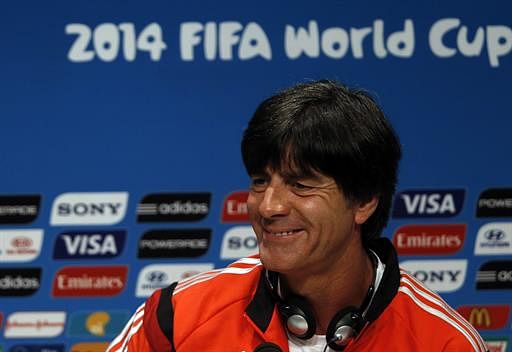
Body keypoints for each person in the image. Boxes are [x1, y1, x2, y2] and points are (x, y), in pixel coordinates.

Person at [107, 80, 488, 352]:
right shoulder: (177, 317)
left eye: (301, 185)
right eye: (260, 181)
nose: (269, 206)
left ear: (364, 201)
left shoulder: (443, 342)